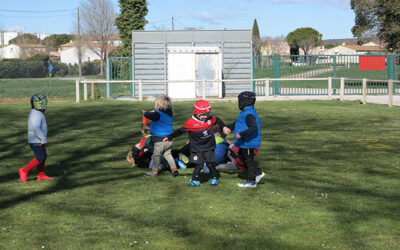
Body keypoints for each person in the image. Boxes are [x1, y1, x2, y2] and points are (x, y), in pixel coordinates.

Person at [164, 100, 229, 187]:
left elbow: (217, 120)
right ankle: (195, 181)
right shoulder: (191, 123)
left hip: (209, 146)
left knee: (210, 163)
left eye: (207, 114)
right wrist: (169, 137)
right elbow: (180, 131)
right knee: (200, 164)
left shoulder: (209, 119)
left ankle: (214, 178)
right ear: (197, 113)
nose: (205, 116)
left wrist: (224, 126)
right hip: (197, 148)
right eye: (203, 115)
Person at [226, 91, 265, 188]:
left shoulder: (249, 114)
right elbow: (237, 124)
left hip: (248, 143)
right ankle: (258, 173)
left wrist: (241, 134)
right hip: (244, 143)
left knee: (249, 161)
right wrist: (227, 127)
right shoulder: (244, 113)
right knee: (242, 160)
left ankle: (251, 181)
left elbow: (254, 128)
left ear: (244, 101)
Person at [18, 94, 53, 183]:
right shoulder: (35, 114)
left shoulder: (37, 113)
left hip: (38, 139)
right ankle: (24, 170)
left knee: (43, 157)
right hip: (36, 140)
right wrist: (43, 139)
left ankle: (41, 176)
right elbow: (36, 128)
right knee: (40, 157)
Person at [143, 95, 179, 177]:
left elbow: (148, 115)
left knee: (156, 155)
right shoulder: (170, 114)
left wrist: (145, 113)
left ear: (158, 105)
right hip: (169, 139)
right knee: (168, 154)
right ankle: (174, 169)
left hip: (160, 140)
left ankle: (154, 171)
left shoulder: (157, 114)